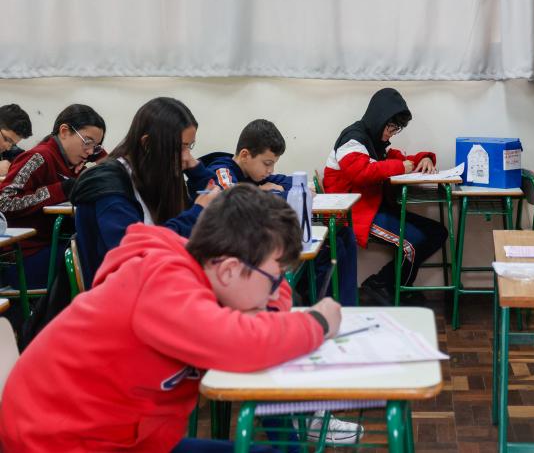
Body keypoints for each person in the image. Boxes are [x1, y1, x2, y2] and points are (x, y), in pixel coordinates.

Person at [0, 184, 343, 452]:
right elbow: (237, 341)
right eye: (274, 278)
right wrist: (318, 323)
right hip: (58, 444)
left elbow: (268, 305)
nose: (276, 291)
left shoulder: (210, 277)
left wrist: (267, 299)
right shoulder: (163, 281)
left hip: (127, 439)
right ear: (228, 271)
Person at [190, 119, 360, 306]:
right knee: (328, 248)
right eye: (267, 163)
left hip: (259, 241)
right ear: (245, 155)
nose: (270, 170)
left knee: (344, 235)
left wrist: (290, 187)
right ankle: (327, 306)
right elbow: (231, 200)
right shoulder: (222, 170)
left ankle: (346, 307)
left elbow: (286, 181)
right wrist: (268, 191)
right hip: (238, 251)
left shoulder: (252, 173)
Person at [70, 97, 216, 284]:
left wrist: (198, 173)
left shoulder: (156, 175)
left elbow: (220, 203)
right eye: (181, 147)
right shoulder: (109, 186)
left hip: (158, 281)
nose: (187, 156)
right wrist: (196, 213)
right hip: (121, 294)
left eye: (190, 146)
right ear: (148, 144)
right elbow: (136, 258)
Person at [324, 88, 447, 306]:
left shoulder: (375, 143)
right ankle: (391, 287)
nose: (392, 133)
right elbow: (361, 173)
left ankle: (387, 284)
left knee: (437, 232)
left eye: (396, 129)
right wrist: (401, 167)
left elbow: (400, 158)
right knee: (413, 243)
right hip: (352, 214)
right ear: (378, 118)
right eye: (391, 127)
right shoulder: (351, 140)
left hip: (373, 208)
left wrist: (425, 158)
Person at [0, 104, 106, 288]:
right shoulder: (39, 157)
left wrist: (98, 157)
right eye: (87, 142)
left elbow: (110, 165)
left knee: (97, 247)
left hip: (49, 246)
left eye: (95, 147)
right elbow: (4, 202)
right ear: (64, 131)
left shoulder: (72, 162)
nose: (90, 151)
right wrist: (62, 189)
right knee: (89, 256)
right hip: (23, 256)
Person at [0, 103, 33, 178]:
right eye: (7, 139)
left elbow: (21, 157)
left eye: (12, 143)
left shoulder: (10, 149)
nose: (8, 148)